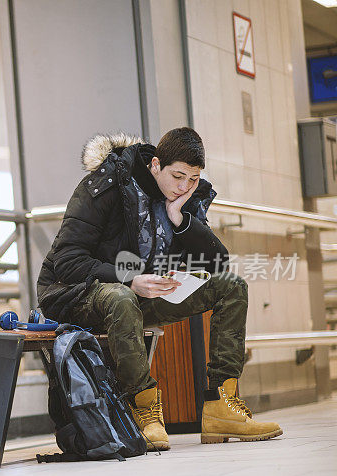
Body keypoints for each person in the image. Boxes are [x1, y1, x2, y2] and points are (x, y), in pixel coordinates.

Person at [36, 127, 282, 449]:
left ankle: (222, 406)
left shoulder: (182, 197)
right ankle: (145, 412)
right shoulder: (108, 184)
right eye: (178, 176)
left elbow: (218, 261)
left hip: (138, 293)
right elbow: (68, 261)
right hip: (75, 293)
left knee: (230, 286)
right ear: (155, 165)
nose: (184, 187)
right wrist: (130, 278)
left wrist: (180, 220)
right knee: (121, 297)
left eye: (193, 179)